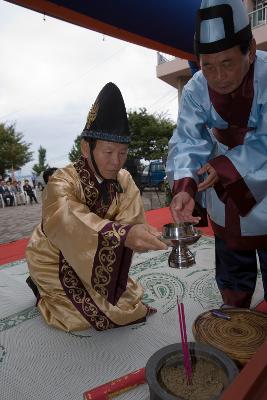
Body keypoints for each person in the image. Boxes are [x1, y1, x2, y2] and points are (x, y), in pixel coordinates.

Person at [26, 82, 167, 332]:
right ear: (85, 148)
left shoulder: (124, 179)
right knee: (92, 317)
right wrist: (124, 235)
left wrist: (143, 235)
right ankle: (41, 286)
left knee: (129, 302)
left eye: (123, 152)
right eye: (108, 151)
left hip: (96, 257)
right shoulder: (62, 181)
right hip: (54, 256)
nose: (116, 162)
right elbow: (68, 219)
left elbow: (131, 224)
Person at [166, 0, 267, 309]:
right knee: (232, 270)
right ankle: (235, 317)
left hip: (261, 187)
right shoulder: (197, 88)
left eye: (227, 63)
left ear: (249, 50)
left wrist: (226, 167)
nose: (218, 76)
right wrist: (185, 184)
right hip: (223, 195)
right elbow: (187, 140)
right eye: (207, 65)